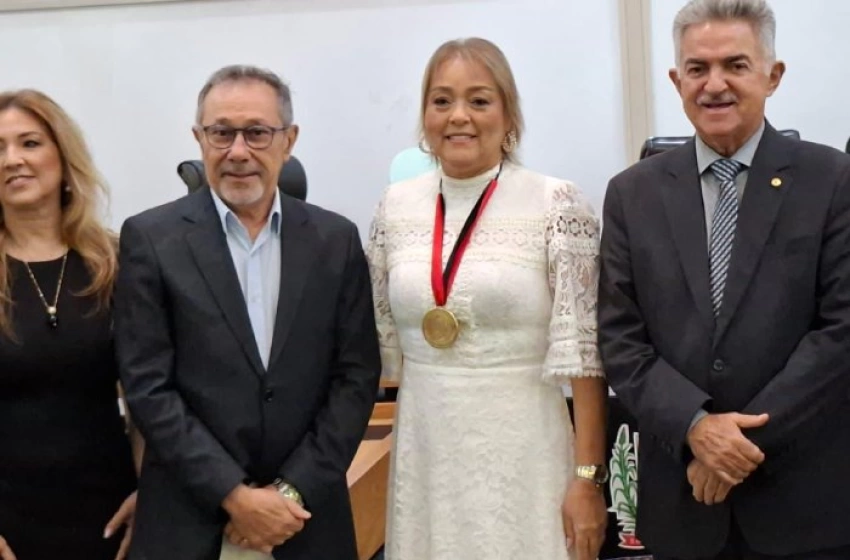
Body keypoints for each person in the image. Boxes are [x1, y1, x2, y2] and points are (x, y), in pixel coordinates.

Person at [598, 1, 850, 559]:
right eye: (697, 68)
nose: (715, 84)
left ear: (772, 74)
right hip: (683, 502)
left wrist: (735, 444)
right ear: (676, 79)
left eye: (735, 64)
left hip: (803, 500)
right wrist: (693, 427)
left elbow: (840, 331)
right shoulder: (631, 195)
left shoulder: (831, 179)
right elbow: (620, 338)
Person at [113, 65, 381, 560]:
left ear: (289, 139)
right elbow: (148, 385)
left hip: (305, 522)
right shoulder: (151, 240)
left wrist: (291, 492)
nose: (238, 151)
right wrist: (233, 495)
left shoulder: (335, 240)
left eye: (257, 132)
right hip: (191, 519)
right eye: (221, 133)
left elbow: (356, 377)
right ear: (199, 138)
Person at [367, 38, 608, 560]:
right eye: (441, 100)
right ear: (425, 115)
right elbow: (382, 347)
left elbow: (586, 360)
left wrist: (587, 479)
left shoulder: (555, 203)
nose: (459, 117)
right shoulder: (394, 208)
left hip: (526, 451)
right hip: (426, 448)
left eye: (479, 100)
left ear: (509, 114)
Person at [0, 89, 140, 560]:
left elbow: (149, 394)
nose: (12, 160)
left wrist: (150, 495)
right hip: (10, 521)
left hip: (112, 514)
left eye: (30, 143)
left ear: (63, 154)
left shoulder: (116, 260)